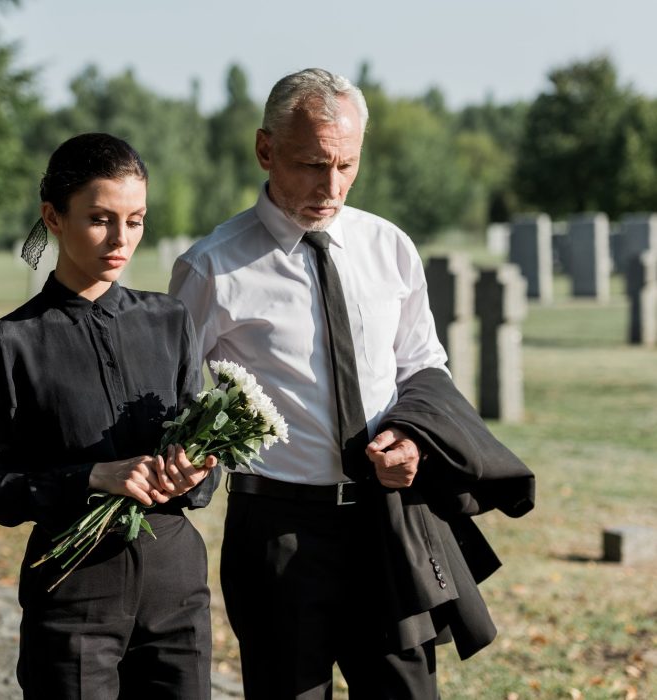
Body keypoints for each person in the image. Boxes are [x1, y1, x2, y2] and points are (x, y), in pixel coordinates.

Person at [170, 69, 534, 699]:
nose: (330, 186)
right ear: (265, 150)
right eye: (313, 164)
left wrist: (412, 441)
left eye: (346, 165)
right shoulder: (212, 267)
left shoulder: (388, 246)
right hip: (277, 535)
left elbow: (423, 366)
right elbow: (174, 398)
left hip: (387, 525)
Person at [0, 132, 221, 699]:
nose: (122, 239)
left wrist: (196, 473)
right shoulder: (8, 344)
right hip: (74, 599)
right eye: (100, 219)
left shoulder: (171, 321)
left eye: (136, 220)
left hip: (177, 590)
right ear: (53, 216)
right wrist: (91, 478)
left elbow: (205, 466)